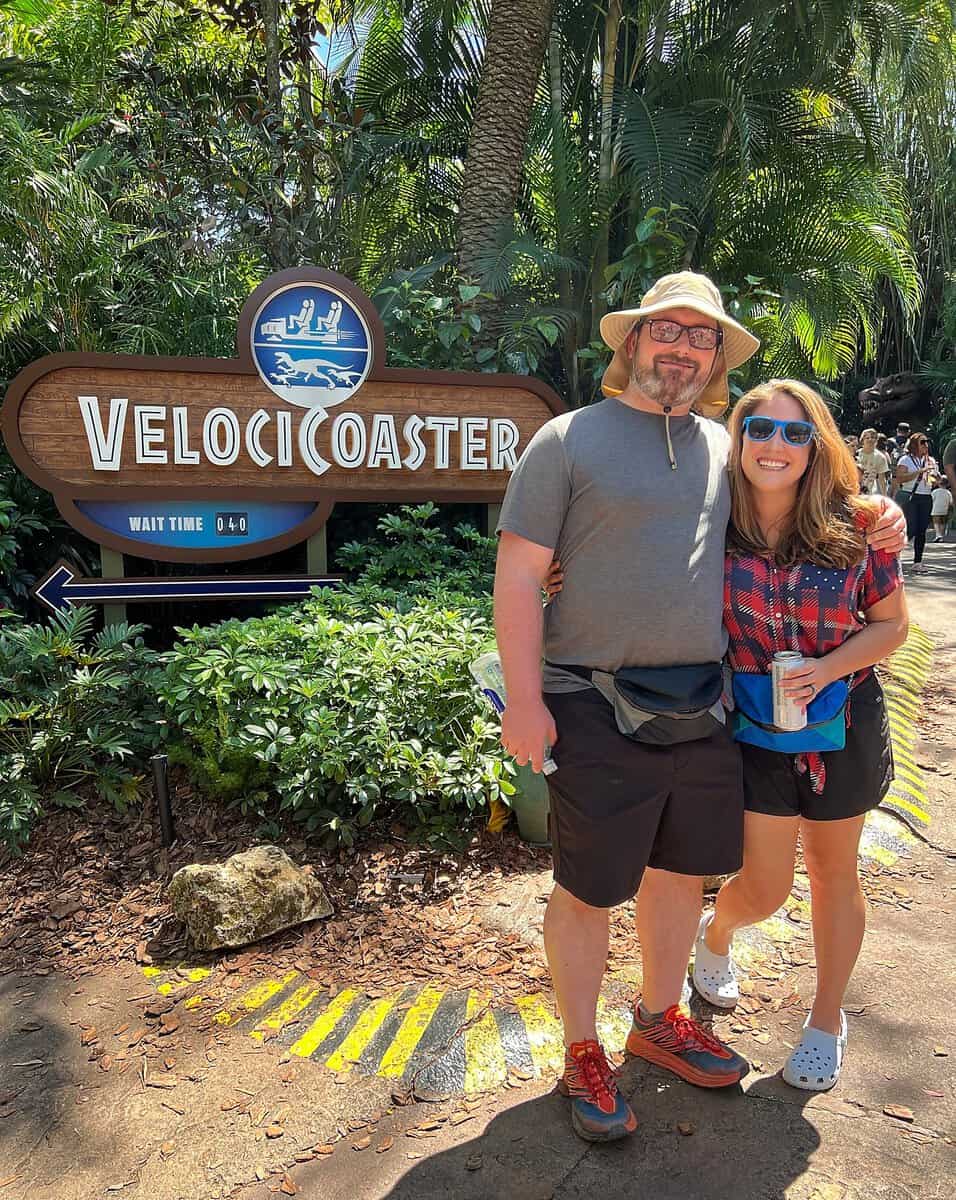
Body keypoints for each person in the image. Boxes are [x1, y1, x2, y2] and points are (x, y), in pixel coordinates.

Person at [493, 269, 906, 1143]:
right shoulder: (566, 441)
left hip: (704, 703)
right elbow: (521, 576)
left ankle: (657, 1016)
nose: (682, 348)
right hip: (591, 697)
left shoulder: (727, 446)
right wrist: (523, 699)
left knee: (681, 872)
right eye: (667, 331)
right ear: (632, 341)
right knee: (588, 886)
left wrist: (883, 511)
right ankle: (580, 1048)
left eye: (701, 337)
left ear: (716, 358)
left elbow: (800, 490)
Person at [689, 380, 907, 1093]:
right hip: (754, 724)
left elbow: (891, 625)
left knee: (835, 872)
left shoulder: (859, 526)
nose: (775, 446)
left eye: (794, 434)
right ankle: (717, 933)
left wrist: (826, 670)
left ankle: (824, 1019)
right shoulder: (708, 522)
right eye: (761, 430)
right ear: (738, 438)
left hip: (843, 715)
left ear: (817, 446)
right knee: (768, 885)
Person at [895, 432, 939, 573]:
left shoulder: (930, 460)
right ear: (914, 444)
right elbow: (900, 478)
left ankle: (917, 562)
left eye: (927, 442)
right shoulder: (906, 460)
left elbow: (935, 481)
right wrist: (919, 472)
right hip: (911, 495)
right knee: (911, 528)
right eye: (922, 442)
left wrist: (936, 478)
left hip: (926, 496)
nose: (926, 445)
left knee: (922, 530)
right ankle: (894, 555)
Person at [857, 427, 891, 495]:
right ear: (862, 440)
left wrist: (884, 496)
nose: (870, 440)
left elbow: (882, 479)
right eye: (867, 438)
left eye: (873, 437)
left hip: (869, 492)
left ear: (876, 440)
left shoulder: (880, 457)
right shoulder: (856, 453)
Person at [931, 475, 952, 542]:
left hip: (935, 509)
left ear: (939, 483)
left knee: (936, 522)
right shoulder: (948, 492)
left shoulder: (935, 492)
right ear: (947, 484)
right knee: (942, 523)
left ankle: (938, 535)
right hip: (944, 510)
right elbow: (951, 502)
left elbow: (931, 500)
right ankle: (941, 536)